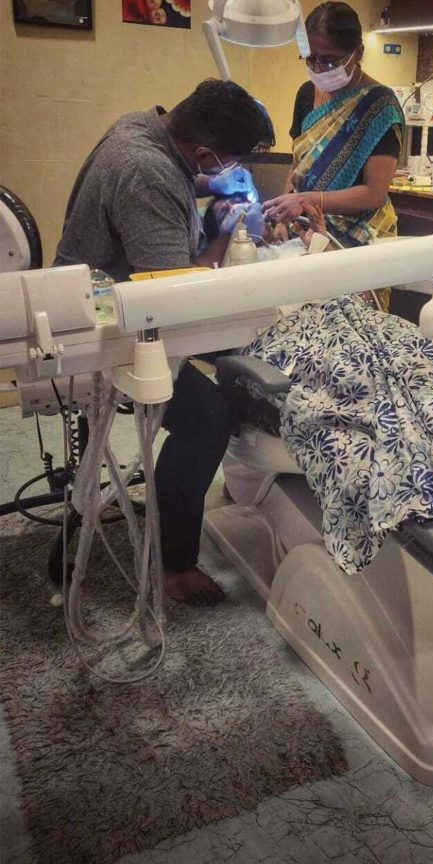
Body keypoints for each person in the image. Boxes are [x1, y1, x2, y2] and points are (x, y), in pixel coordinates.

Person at [222, 203, 433, 576]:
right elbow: (225, 316)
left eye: (280, 218)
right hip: (297, 333)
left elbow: (361, 294)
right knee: (357, 382)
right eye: (265, 222)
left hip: (366, 322)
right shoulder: (239, 263)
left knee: (427, 367)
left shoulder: (312, 244)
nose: (276, 226)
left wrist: (320, 240)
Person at [54, 79, 275, 605]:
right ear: (202, 152)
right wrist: (226, 233)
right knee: (207, 417)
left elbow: (168, 214)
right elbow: (173, 298)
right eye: (224, 165)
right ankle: (174, 564)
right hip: (112, 330)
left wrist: (208, 193)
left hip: (125, 300)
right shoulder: (146, 172)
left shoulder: (144, 125)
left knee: (248, 349)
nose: (225, 175)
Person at [262, 1, 404, 268]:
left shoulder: (379, 107)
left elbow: (374, 193)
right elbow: (299, 164)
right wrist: (283, 217)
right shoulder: (306, 94)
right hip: (306, 229)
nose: (317, 68)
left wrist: (304, 201)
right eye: (310, 59)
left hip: (358, 236)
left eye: (329, 60)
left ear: (357, 53)